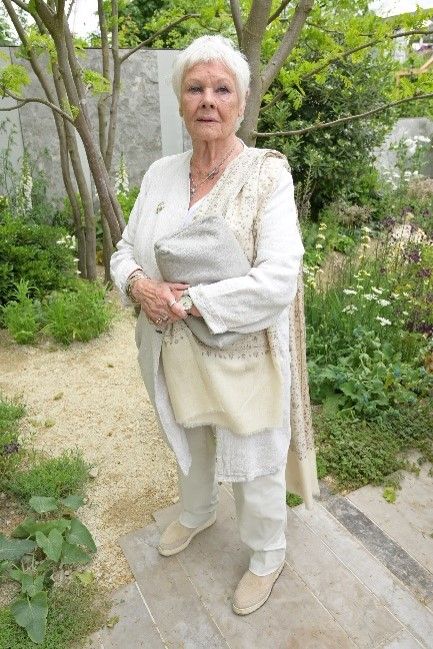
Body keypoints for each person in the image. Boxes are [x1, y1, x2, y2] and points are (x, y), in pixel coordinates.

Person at [110, 34, 319, 616]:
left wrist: (193, 301)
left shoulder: (265, 176)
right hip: (170, 346)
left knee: (252, 454)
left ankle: (266, 552)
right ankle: (198, 513)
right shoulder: (159, 174)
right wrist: (138, 285)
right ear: (180, 101)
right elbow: (125, 249)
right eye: (195, 88)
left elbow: (280, 277)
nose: (208, 99)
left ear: (241, 101)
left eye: (221, 89)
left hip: (240, 351)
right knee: (191, 438)